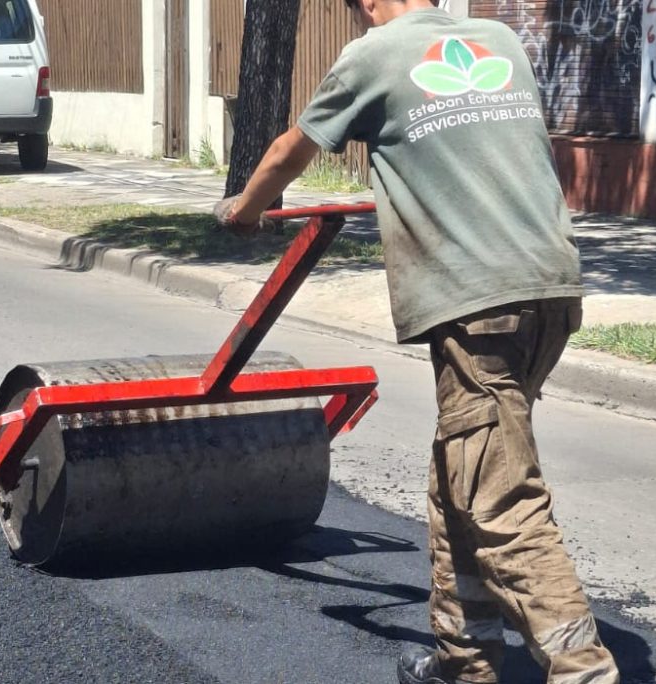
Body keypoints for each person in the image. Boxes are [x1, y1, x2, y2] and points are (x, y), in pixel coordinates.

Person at [212, 1, 620, 683]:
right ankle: (466, 659)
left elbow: (288, 152)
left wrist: (243, 211)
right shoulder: (499, 39)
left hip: (479, 305)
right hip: (550, 288)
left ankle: (584, 670)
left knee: (499, 499)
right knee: (458, 475)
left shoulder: (373, 55)